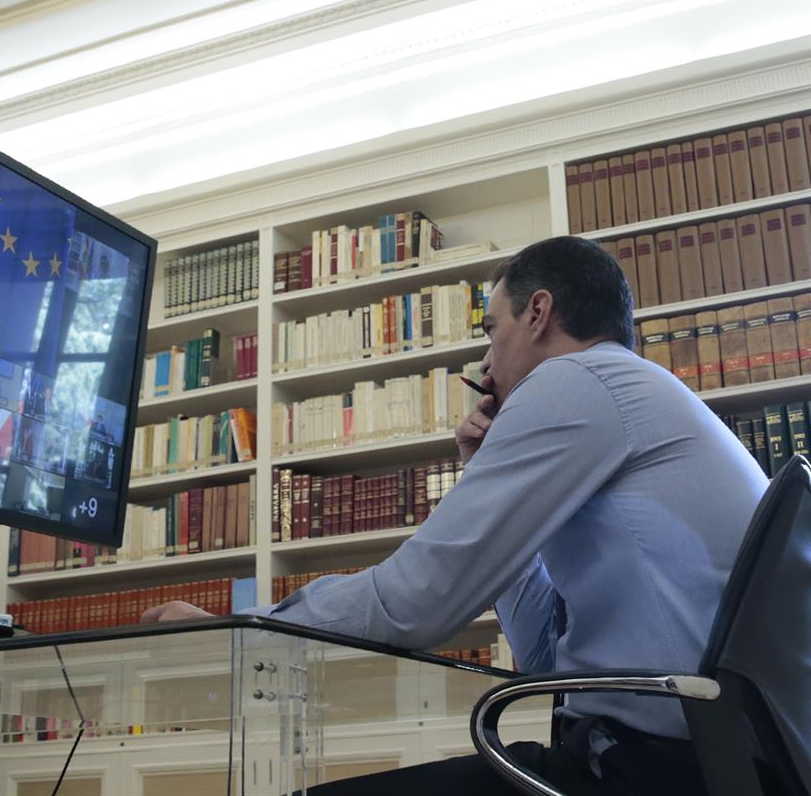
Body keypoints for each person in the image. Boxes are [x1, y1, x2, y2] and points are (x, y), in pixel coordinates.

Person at [141, 237, 768, 796]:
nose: (486, 365)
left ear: (539, 313)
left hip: (654, 769)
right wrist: (484, 467)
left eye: (493, 330)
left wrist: (241, 628)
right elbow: (544, 663)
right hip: (693, 760)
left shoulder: (576, 381)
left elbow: (414, 601)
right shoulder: (630, 395)